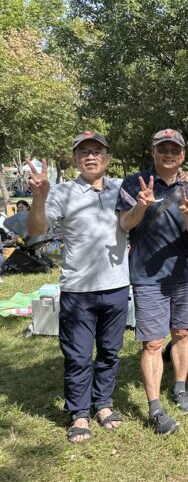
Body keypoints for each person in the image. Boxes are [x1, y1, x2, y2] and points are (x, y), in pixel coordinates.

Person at [26, 131, 130, 443]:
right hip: (78, 289)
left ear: (107, 158)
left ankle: (103, 404)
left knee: (110, 352)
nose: (90, 156)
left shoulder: (120, 188)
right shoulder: (62, 192)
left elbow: (131, 221)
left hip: (116, 285)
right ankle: (80, 412)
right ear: (75, 159)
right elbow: (35, 230)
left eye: (97, 151)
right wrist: (40, 195)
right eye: (83, 152)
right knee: (79, 355)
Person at [117, 128, 188, 435]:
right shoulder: (133, 183)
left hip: (182, 273)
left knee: (181, 332)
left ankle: (180, 387)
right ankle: (155, 407)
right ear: (153, 152)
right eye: (163, 149)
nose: (169, 154)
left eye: (174, 150)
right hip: (148, 276)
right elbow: (125, 223)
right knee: (153, 342)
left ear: (182, 155)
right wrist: (142, 204)